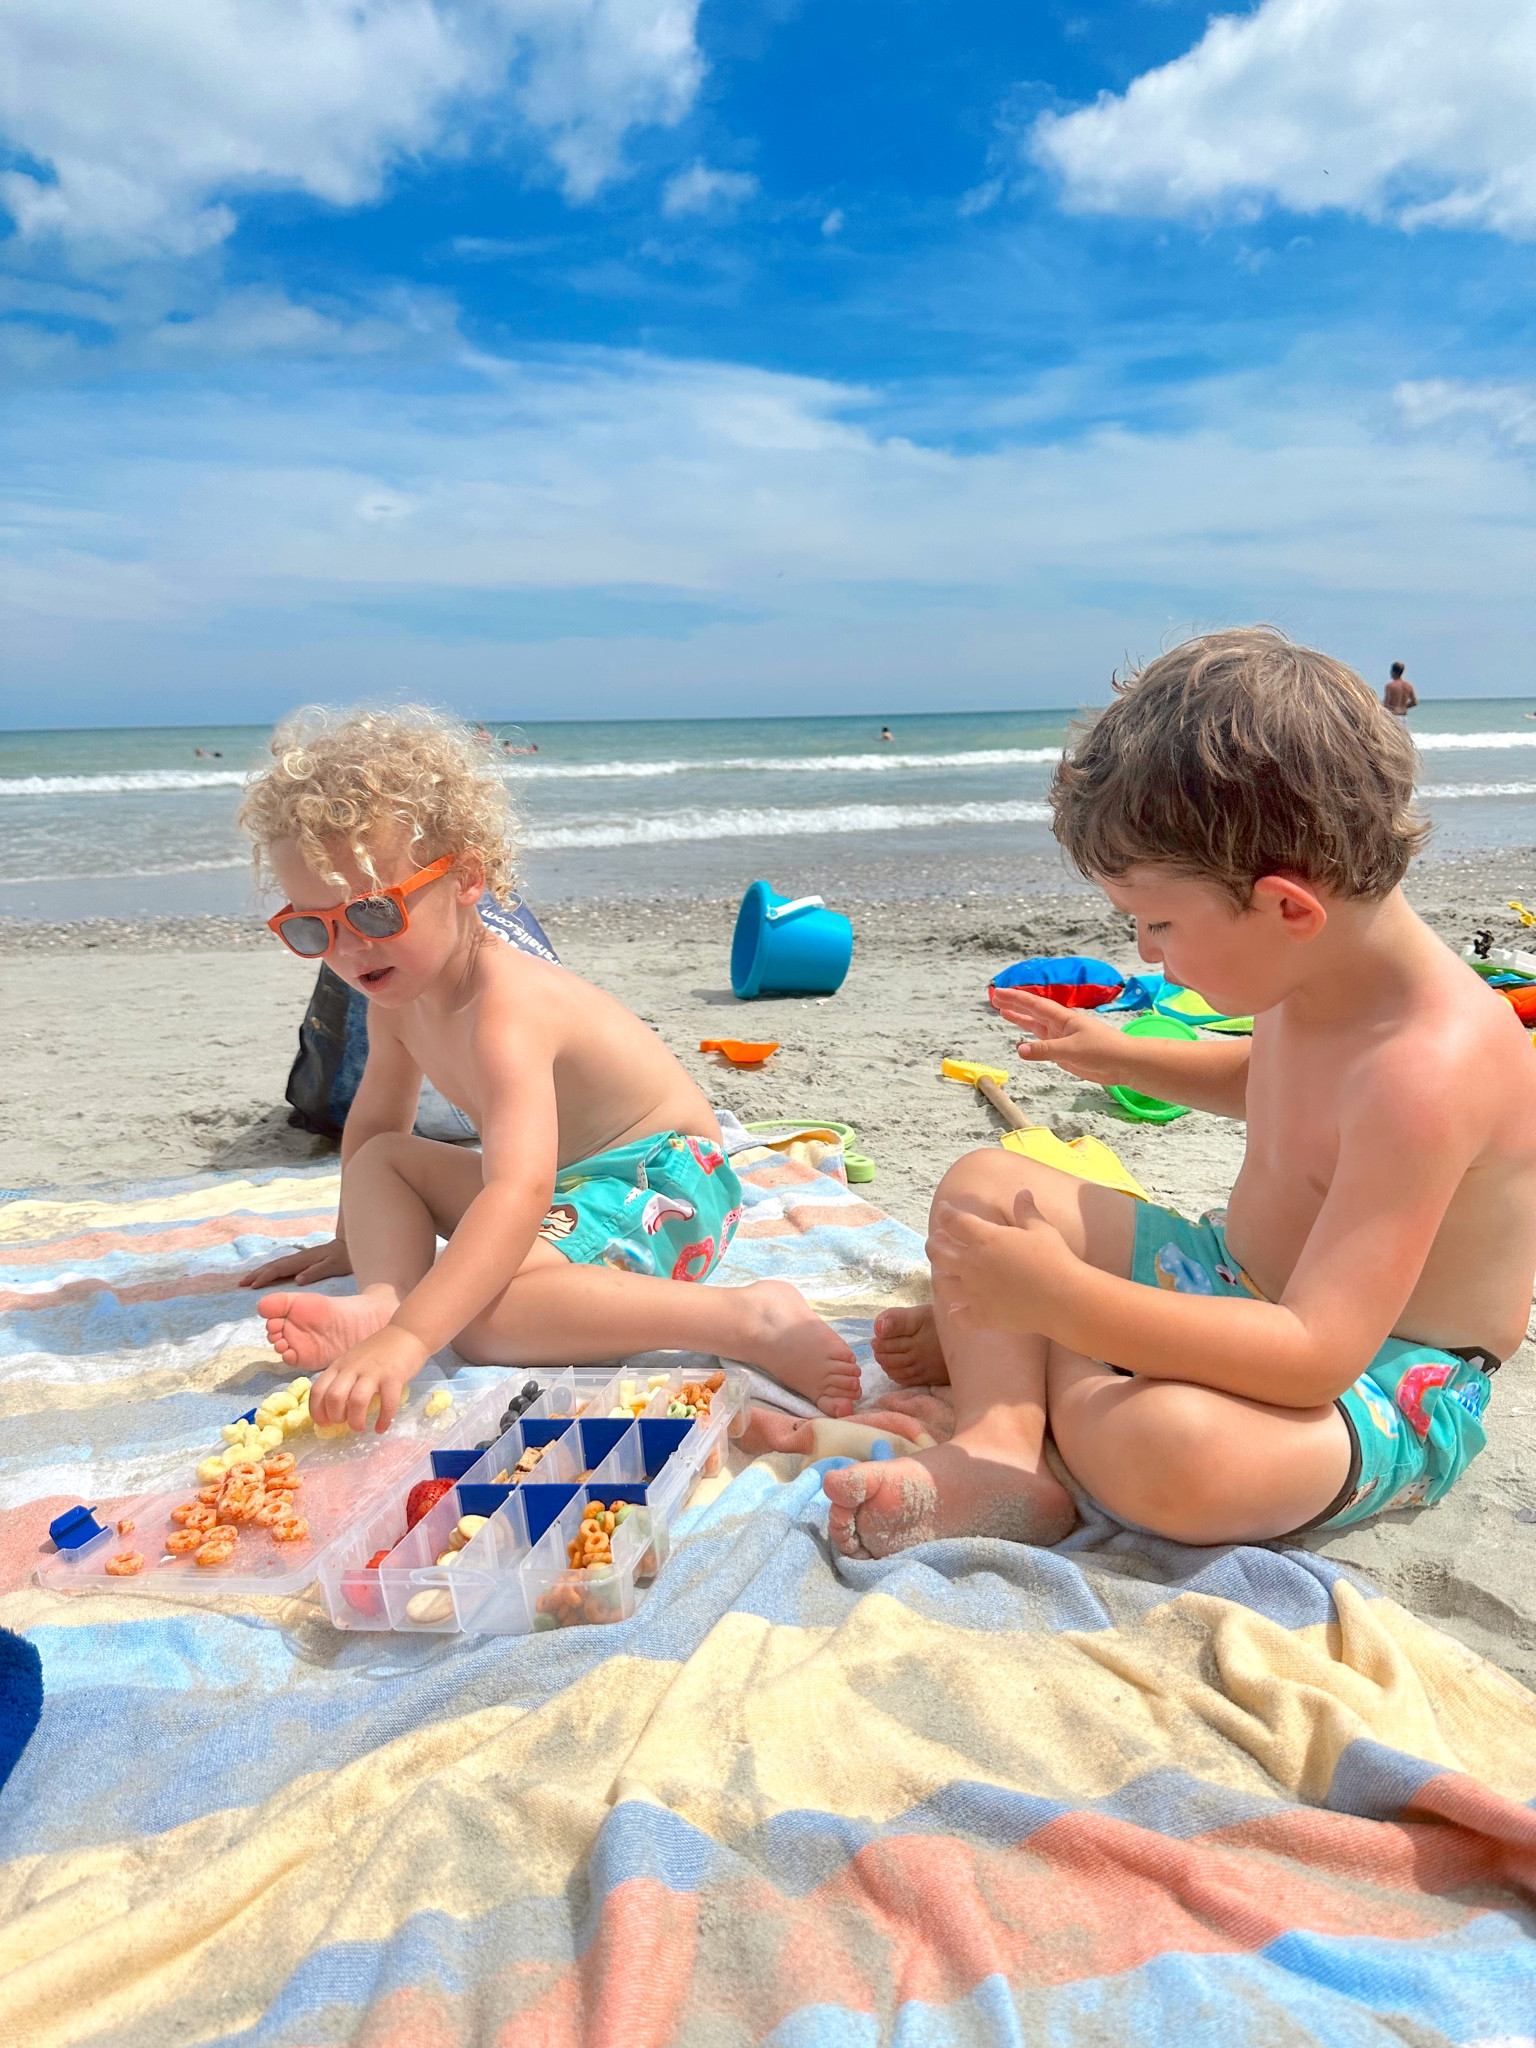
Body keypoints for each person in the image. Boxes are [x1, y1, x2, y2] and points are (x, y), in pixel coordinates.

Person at [824, 628, 1536, 1557]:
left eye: (1157, 922)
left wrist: (1063, 1305)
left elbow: (1316, 1355)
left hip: (1376, 1374)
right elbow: (1269, 1085)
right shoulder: (1312, 971)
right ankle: (1002, 1450)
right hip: (1232, 1275)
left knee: (1182, 1455)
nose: (1145, 953)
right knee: (982, 1189)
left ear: (1288, 907)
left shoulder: (1425, 1072)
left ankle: (1037, 1357)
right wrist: (1123, 1055)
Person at [236, 704, 859, 1430]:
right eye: (314, 927)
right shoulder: (395, 1002)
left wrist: (415, 1340)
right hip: (574, 1186)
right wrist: (356, 1242)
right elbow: (377, 1123)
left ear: (465, 877)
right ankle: (384, 1301)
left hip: (664, 1183)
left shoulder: (507, 1012)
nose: (349, 950)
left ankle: (750, 1318)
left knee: (482, 1319)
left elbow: (517, 1189)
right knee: (381, 1159)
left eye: (374, 914)